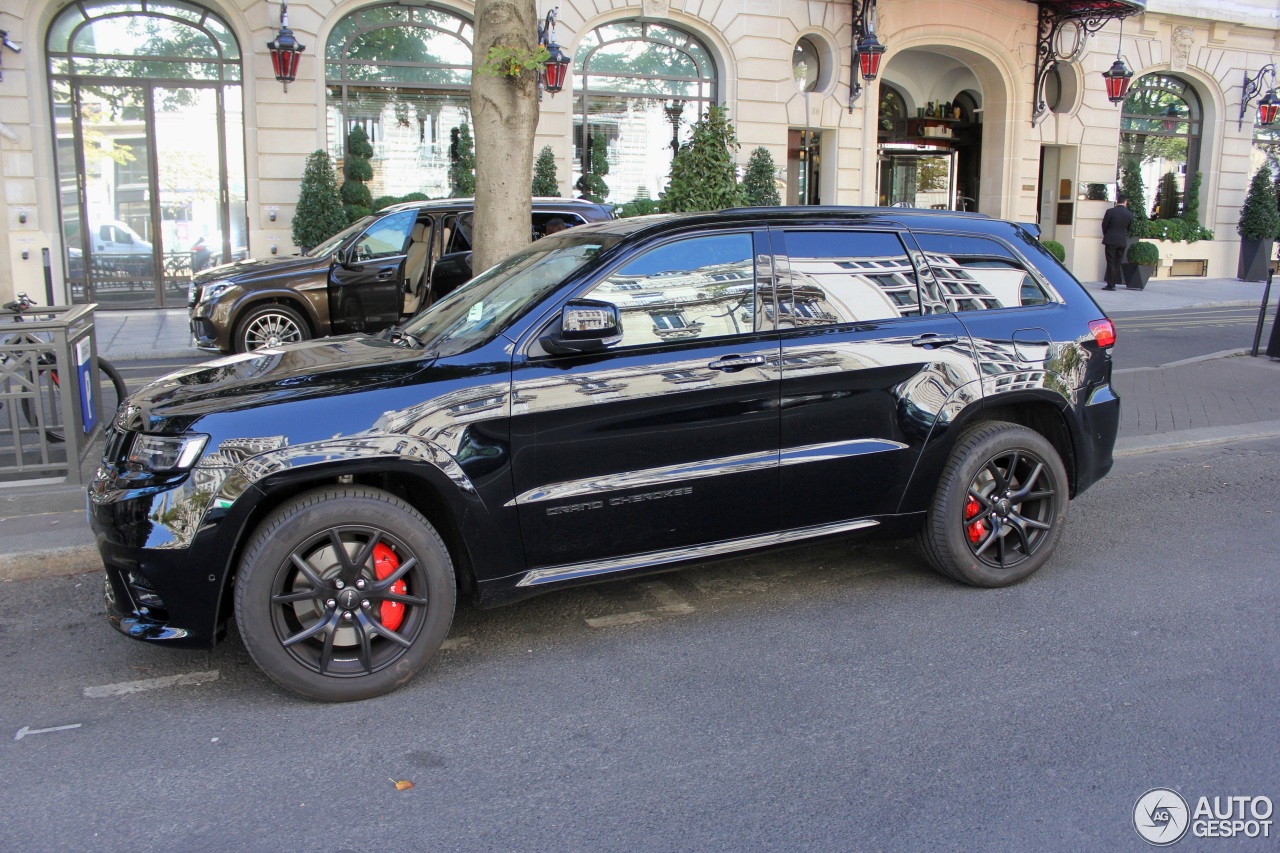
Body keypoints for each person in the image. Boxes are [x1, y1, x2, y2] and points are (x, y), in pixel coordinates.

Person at [1101, 195, 1133, 291]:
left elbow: (1104, 225)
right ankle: (1113, 282)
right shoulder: (1129, 214)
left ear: (1116, 201)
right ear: (1125, 202)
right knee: (1117, 263)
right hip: (1122, 241)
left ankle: (1111, 285)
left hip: (1110, 240)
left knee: (1110, 262)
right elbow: (1129, 228)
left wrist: (1107, 234)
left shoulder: (1110, 212)